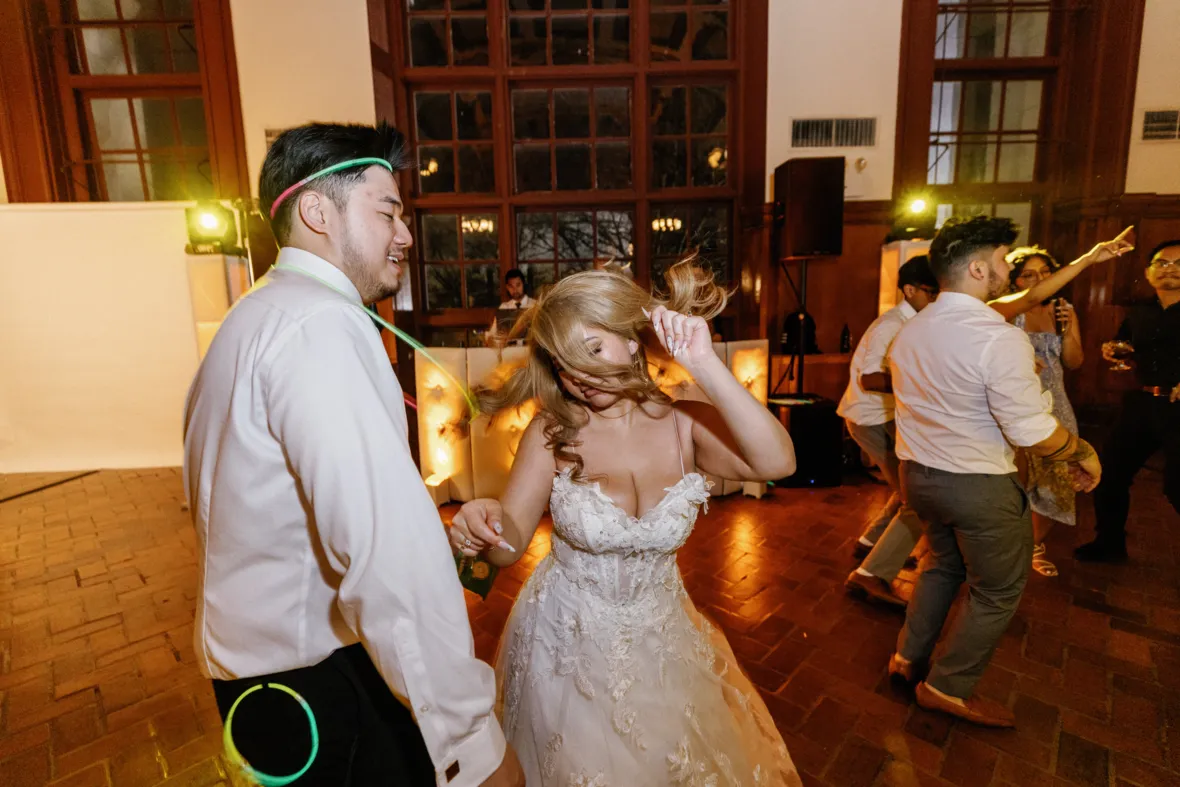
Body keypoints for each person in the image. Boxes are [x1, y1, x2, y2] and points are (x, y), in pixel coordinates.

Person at [183, 123, 523, 787]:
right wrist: (470, 739)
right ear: (317, 210)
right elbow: (380, 551)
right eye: (387, 210)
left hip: (263, 688)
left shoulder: (251, 319)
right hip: (317, 686)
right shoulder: (320, 326)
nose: (404, 234)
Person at [447, 260, 803, 786]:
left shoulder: (687, 422)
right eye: (564, 364)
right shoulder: (551, 433)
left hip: (662, 636)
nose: (581, 377)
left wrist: (704, 363)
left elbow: (779, 464)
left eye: (594, 350)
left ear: (632, 340)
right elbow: (509, 545)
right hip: (565, 645)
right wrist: (482, 525)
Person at [886, 215, 1102, 728]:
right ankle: (946, 687)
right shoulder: (997, 338)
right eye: (1005, 261)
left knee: (943, 565)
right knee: (998, 588)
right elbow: (1031, 431)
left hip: (919, 476)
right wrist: (1081, 449)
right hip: (976, 485)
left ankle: (906, 659)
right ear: (980, 269)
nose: (1009, 269)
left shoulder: (914, 330)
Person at [839, 255, 939, 608]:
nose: (938, 297)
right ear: (910, 290)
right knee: (917, 499)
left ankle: (871, 544)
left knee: (909, 491)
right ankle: (872, 574)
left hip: (883, 417)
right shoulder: (892, 325)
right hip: (872, 418)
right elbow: (869, 379)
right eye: (932, 290)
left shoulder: (917, 320)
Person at [1077, 239, 1180, 562]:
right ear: (1149, 273)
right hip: (1143, 403)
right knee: (1110, 473)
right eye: (1162, 264)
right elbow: (1125, 345)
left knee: (1177, 487)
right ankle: (1109, 543)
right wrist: (1114, 350)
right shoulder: (1140, 312)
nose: (1170, 270)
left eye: (1179, 264)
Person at [1006, 247, 1084, 577]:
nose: (1040, 279)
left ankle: (1033, 547)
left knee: (1057, 482)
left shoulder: (1063, 309)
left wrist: (1066, 332)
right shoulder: (1010, 312)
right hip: (1018, 404)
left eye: (1045, 272)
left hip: (1056, 404)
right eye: (1029, 274)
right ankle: (1007, 549)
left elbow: (1074, 361)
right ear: (1015, 282)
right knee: (1016, 481)